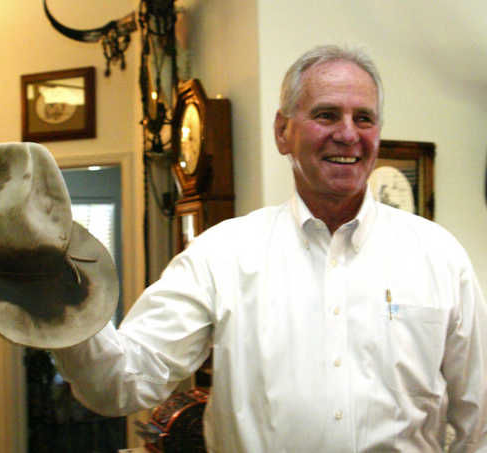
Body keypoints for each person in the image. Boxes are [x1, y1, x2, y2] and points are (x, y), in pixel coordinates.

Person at [52, 44, 487, 452]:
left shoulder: (438, 256)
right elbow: (120, 384)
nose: (348, 134)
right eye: (327, 114)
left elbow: (480, 422)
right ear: (283, 132)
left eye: (364, 119)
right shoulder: (221, 255)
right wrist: (60, 295)